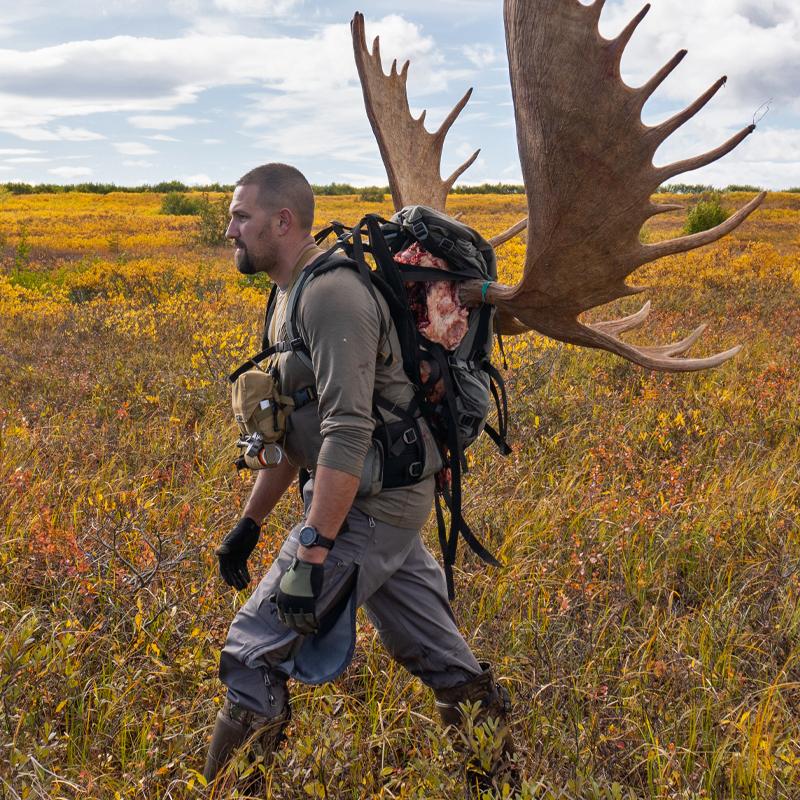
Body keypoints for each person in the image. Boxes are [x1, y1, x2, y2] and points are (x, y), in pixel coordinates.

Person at [203, 163, 515, 795]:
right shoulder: (289, 294)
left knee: (253, 651)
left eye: (241, 216)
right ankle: (502, 784)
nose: (229, 229)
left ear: (283, 221)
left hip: (369, 507)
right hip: (377, 501)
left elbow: (346, 434)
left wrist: (311, 551)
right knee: (439, 655)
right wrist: (249, 524)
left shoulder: (332, 297)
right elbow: (301, 429)